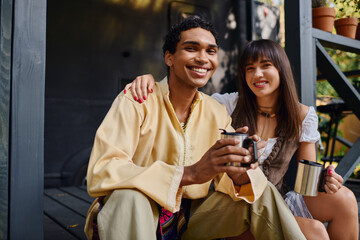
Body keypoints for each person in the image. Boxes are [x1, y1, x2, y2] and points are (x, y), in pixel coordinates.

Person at [84, 17, 307, 240]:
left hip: (189, 221)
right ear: (169, 57)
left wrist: (240, 174)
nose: (202, 58)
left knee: (260, 192)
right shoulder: (137, 99)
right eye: (191, 49)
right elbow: (102, 170)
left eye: (211, 51)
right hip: (135, 217)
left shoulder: (215, 111)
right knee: (130, 197)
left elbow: (234, 185)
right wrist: (188, 173)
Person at [125, 39, 359, 240]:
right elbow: (185, 95)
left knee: (346, 198)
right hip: (237, 205)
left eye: (265, 65)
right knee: (315, 231)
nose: (257, 74)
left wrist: (325, 180)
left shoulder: (302, 115)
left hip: (277, 200)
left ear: (281, 70)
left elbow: (307, 182)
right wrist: (151, 82)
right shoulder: (228, 104)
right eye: (249, 68)